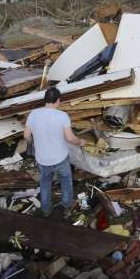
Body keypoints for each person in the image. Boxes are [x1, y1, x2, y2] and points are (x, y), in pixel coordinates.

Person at [23, 88, 88, 218]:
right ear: (58, 100)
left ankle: (46, 210)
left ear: (45, 100)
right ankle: (67, 207)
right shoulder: (62, 116)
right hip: (60, 158)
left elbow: (26, 135)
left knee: (45, 183)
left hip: (42, 159)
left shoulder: (33, 114)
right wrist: (80, 141)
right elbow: (70, 138)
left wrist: (33, 142)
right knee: (66, 182)